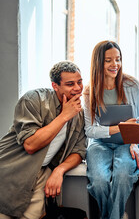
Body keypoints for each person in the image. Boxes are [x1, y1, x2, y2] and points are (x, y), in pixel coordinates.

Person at [0, 61, 86, 218]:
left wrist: (60, 170)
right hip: (11, 171)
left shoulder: (79, 113)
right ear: (55, 86)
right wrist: (64, 116)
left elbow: (79, 151)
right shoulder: (33, 99)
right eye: (70, 84)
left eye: (79, 82)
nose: (77, 88)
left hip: (40, 175)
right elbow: (30, 144)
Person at [83, 40, 139, 219]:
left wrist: (134, 142)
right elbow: (90, 130)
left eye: (118, 59)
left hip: (127, 143)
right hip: (99, 144)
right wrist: (118, 128)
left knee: (123, 176)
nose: (115, 64)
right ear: (98, 63)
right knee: (99, 182)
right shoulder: (89, 92)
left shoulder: (132, 85)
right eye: (108, 60)